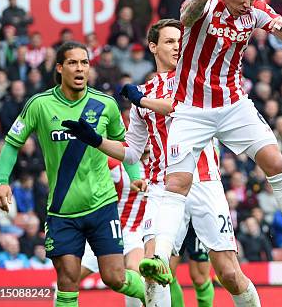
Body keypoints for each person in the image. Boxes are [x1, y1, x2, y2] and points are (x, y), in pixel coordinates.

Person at [128, 0, 282, 295]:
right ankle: (160, 256)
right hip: (191, 108)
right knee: (176, 181)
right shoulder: (205, 0)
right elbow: (186, 16)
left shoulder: (255, 11)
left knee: (276, 162)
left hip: (233, 104)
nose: (248, 4)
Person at [63, 19, 243, 307]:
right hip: (162, 187)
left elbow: (180, 107)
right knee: (153, 270)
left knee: (229, 274)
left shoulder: (197, 79)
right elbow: (133, 151)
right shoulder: (143, 93)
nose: (177, 46)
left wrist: (143, 100)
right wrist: (95, 139)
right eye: (170, 41)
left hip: (204, 182)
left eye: (180, 41)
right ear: (153, 46)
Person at [0, 42, 145, 307]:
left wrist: (135, 175)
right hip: (62, 210)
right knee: (67, 280)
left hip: (102, 206)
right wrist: (3, 181)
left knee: (114, 277)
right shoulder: (39, 105)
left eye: (84, 62)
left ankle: (149, 292)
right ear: (60, 68)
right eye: (73, 63)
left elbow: (125, 146)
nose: (80, 68)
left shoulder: (105, 104)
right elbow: (12, 143)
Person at [80, 158, 146, 307]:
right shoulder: (115, 163)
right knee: (69, 277)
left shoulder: (158, 164)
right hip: (104, 230)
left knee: (135, 271)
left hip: (133, 232)